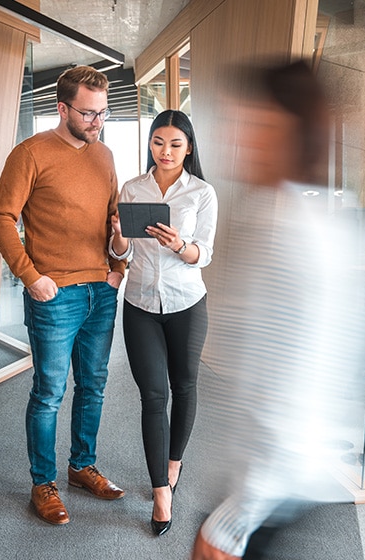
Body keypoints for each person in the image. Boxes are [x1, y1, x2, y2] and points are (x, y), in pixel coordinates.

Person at [191, 60, 365, 559]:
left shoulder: (300, 236)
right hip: (265, 482)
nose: (242, 141)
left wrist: (236, 517)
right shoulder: (281, 215)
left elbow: (295, 388)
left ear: (295, 134)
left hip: (273, 491)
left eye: (258, 127)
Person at [0, 65, 127, 526]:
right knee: (49, 392)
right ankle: (42, 483)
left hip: (100, 291)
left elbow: (114, 222)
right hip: (53, 294)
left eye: (102, 113)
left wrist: (118, 267)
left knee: (94, 385)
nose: (97, 122)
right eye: (88, 114)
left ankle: (82, 466)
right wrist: (29, 275)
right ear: (61, 107)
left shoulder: (105, 156)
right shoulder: (30, 153)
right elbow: (0, 217)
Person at [109, 110, 217, 536]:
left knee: (184, 386)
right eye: (158, 142)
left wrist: (180, 245)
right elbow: (123, 253)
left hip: (187, 304)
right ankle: (161, 491)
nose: (166, 151)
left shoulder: (202, 193)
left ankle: (175, 461)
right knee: (153, 397)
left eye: (175, 144)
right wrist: (118, 235)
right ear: (150, 144)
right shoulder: (133, 188)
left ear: (188, 147)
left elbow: (204, 253)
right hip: (139, 304)